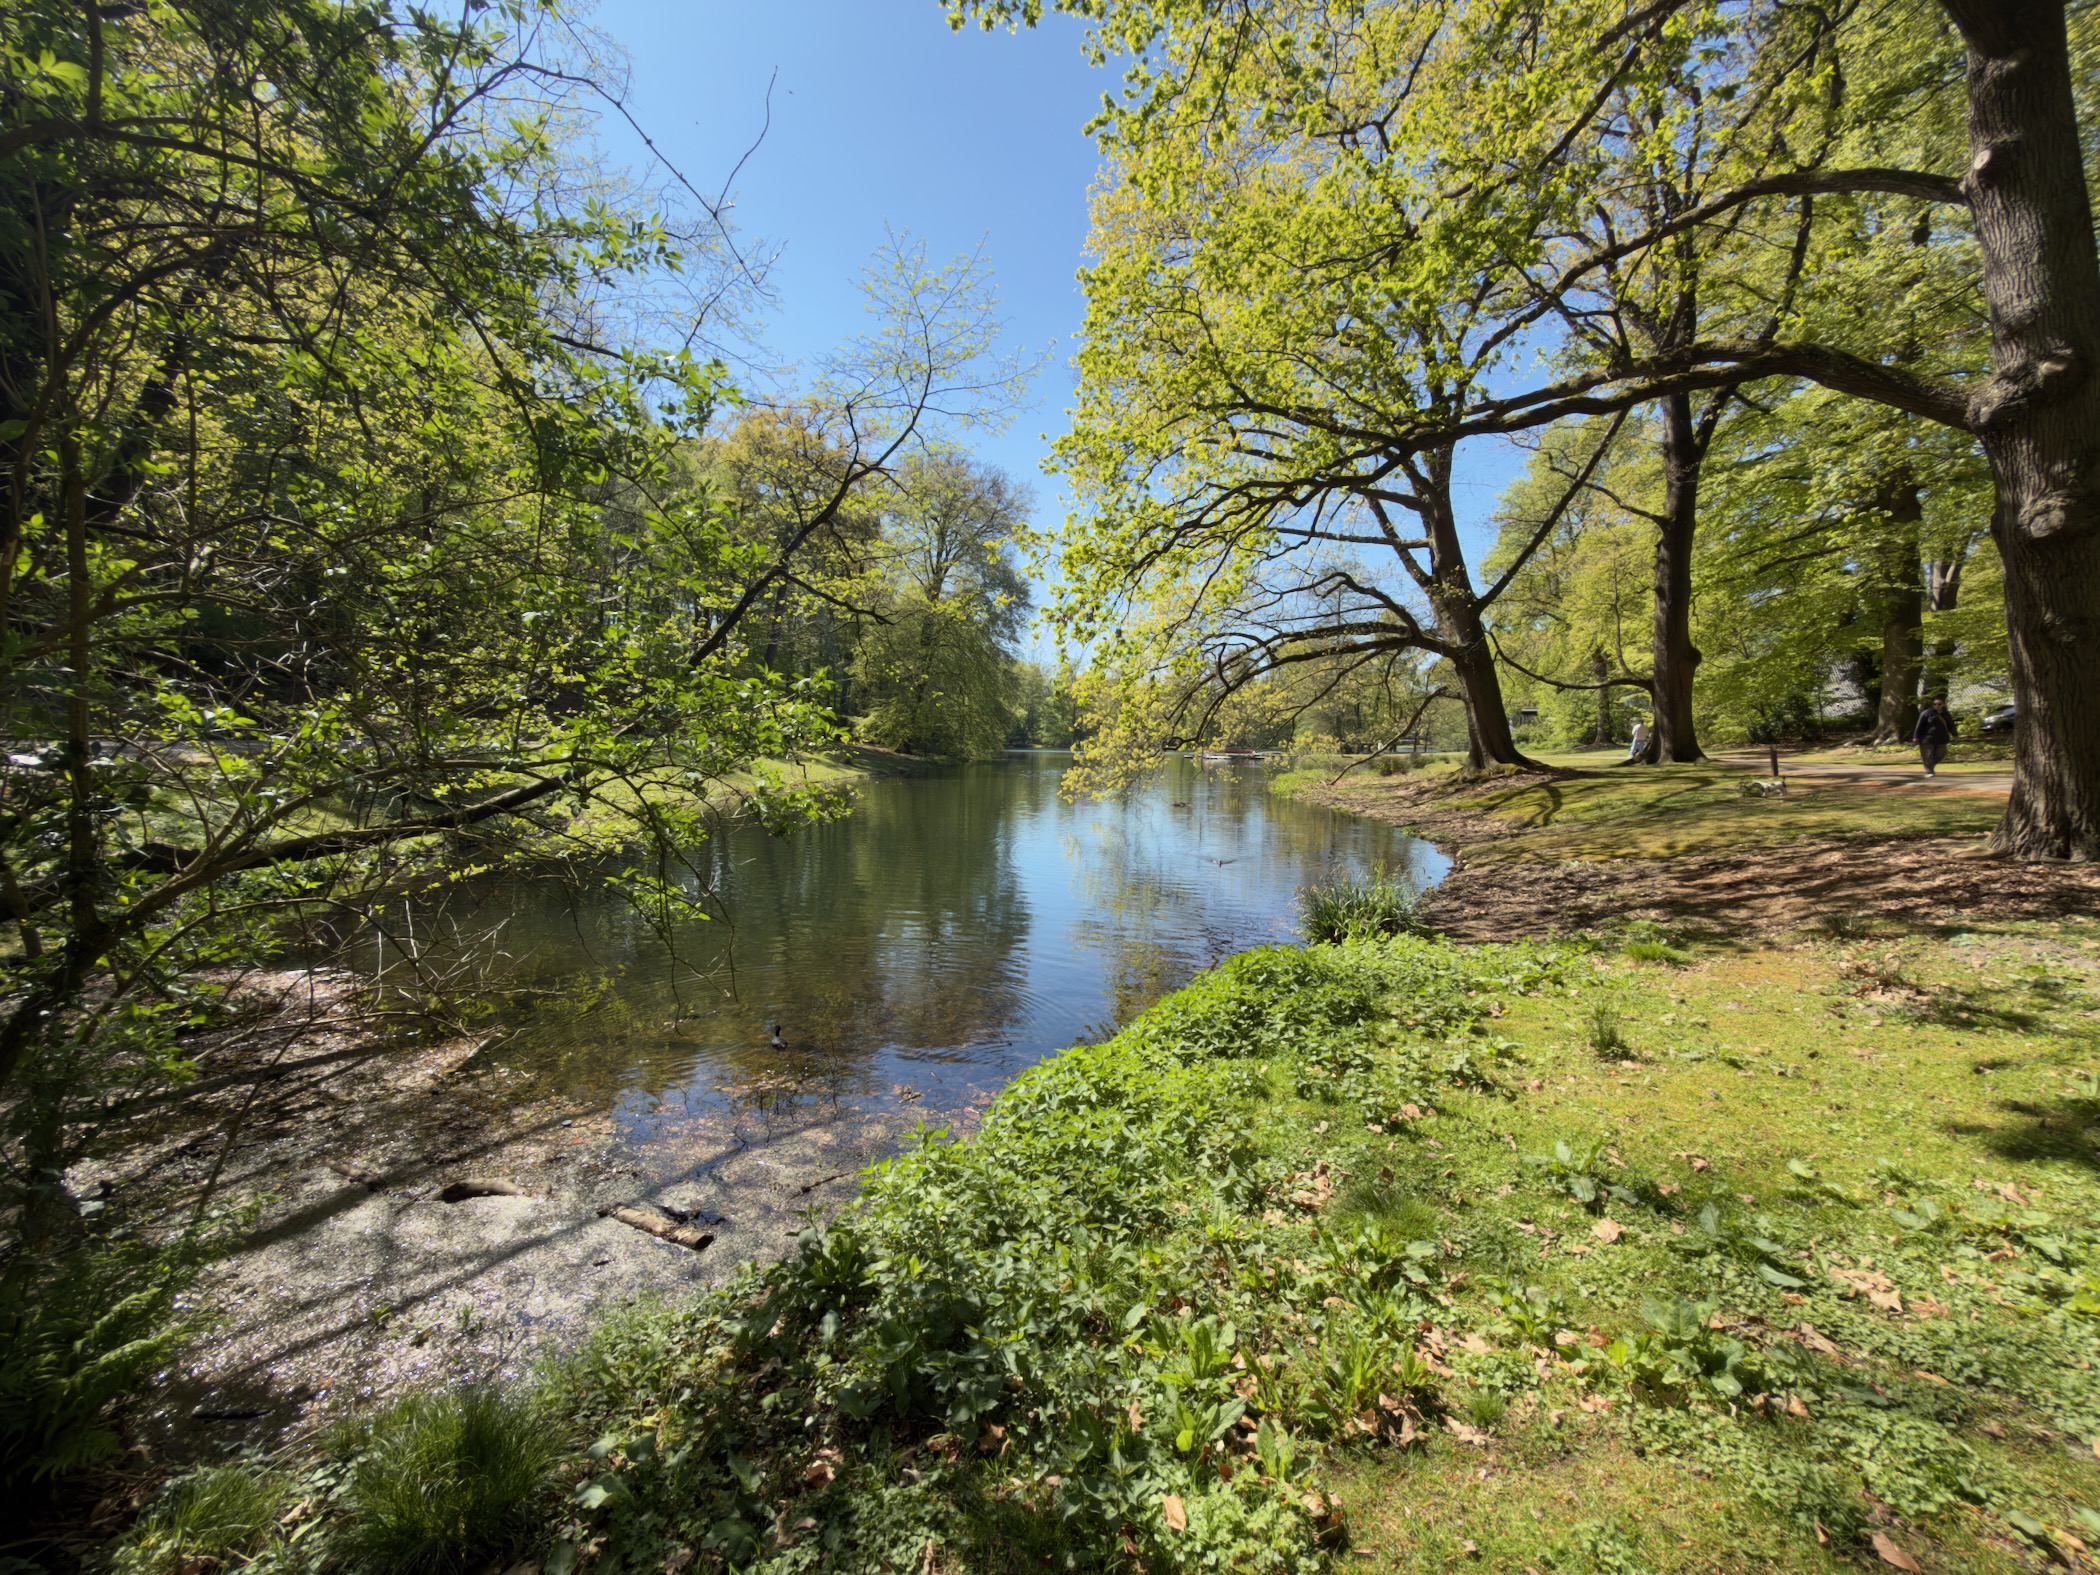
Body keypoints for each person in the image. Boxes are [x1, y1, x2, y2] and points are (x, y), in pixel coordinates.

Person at [1914, 696, 1956, 776]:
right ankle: (1929, 771)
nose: (1937, 706)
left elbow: (1951, 725)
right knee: (1928, 755)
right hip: (1927, 738)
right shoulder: (1926, 713)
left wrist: (1955, 735)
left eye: (1939, 704)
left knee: (1941, 753)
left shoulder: (1946, 714)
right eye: (1935, 704)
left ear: (1943, 705)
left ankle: (1931, 766)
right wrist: (1916, 737)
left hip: (1942, 738)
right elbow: (1919, 726)